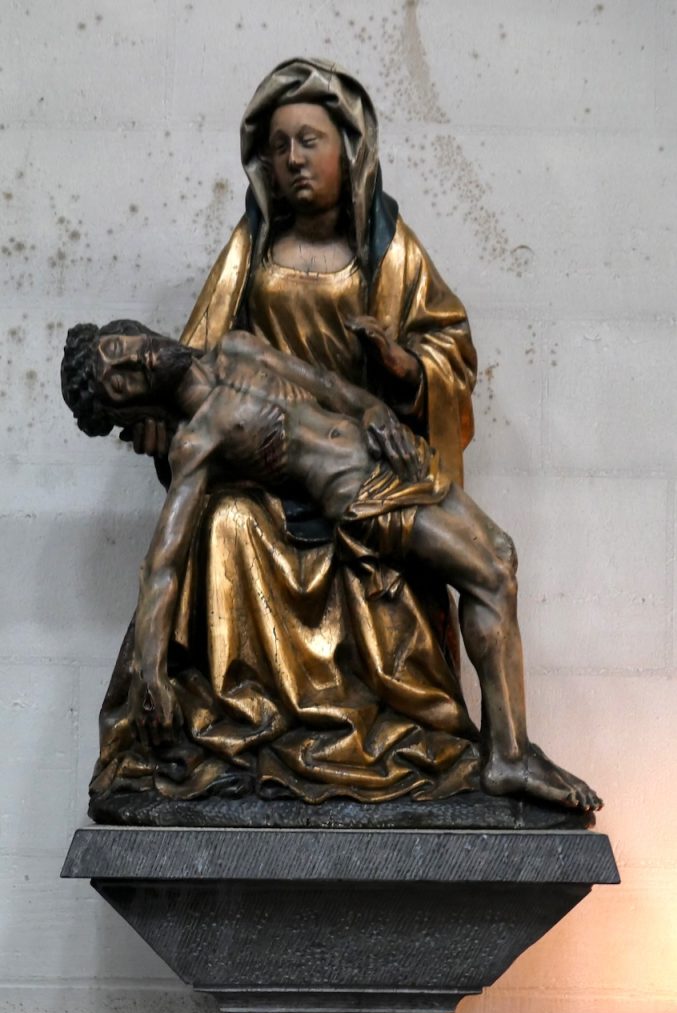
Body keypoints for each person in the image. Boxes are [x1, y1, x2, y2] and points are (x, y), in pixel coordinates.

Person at [61, 319, 601, 814]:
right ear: (133, 409)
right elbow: (162, 564)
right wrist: (150, 668)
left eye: (119, 347)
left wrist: (375, 412)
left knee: (502, 554)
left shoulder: (236, 348)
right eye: (120, 382)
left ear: (130, 330)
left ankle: (510, 749)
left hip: (394, 456)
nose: (135, 361)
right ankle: (508, 757)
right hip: (365, 496)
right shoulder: (196, 440)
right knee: (489, 576)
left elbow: (328, 386)